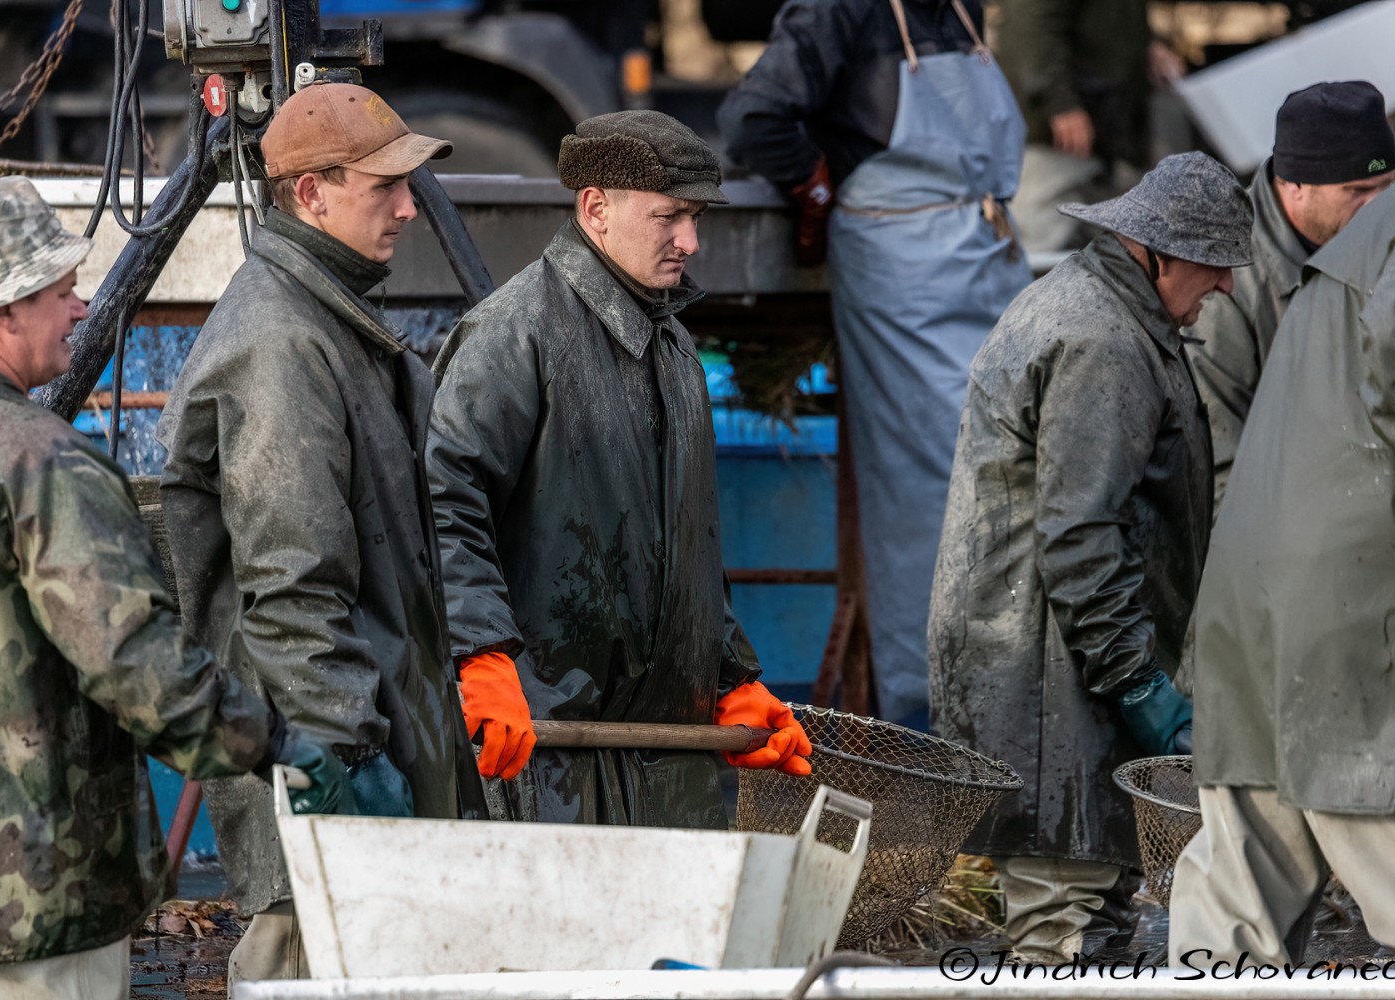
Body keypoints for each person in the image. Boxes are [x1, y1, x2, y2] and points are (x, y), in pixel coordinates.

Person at [0, 177, 345, 1000]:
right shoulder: (43, 463)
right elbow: (136, 663)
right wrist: (274, 744)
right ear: (4, 310)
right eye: (62, 293)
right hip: (34, 907)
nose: (82, 310)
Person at [156, 83, 486, 988]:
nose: (409, 208)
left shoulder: (332, 321)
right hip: (321, 787)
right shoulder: (281, 343)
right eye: (384, 187)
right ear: (309, 193)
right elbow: (291, 587)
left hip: (363, 746)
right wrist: (346, 763)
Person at [427, 110, 811, 828]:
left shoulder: (675, 348)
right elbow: (442, 505)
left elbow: (690, 544)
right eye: (669, 217)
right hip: (542, 754)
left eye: (696, 218)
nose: (690, 242)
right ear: (595, 207)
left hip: (670, 758)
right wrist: (479, 655)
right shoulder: (513, 334)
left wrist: (730, 676)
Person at [929, 152, 1253, 963]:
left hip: (1057, 671)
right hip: (1051, 685)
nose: (1226, 286)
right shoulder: (1102, 340)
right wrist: (1137, 680)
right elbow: (1079, 535)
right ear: (1159, 255)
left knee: (1091, 919)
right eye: (1214, 264)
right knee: (1063, 930)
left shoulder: (1101, 308)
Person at [717, 0, 1032, 731]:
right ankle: (935, 720)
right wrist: (814, 186)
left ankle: (1017, 708)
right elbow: (754, 118)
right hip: (904, 269)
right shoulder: (842, 8)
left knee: (1021, 466)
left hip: (988, 254)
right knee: (941, 486)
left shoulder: (958, 7)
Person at [1169, 169, 1395, 970]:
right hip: (1345, 595)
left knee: (1240, 875)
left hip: (1253, 585)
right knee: (1370, 797)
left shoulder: (1372, 232)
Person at [1189, 81, 1394, 509]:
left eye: (1386, 186)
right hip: (1287, 517)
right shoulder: (1222, 287)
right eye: (1357, 191)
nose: (1379, 207)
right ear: (1294, 184)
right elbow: (1218, 470)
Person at [992, 0, 1183, 253]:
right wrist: (1059, 103)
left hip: (1105, 132)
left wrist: (1148, 45)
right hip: (1053, 137)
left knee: (1106, 248)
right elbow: (1030, 26)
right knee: (1042, 242)